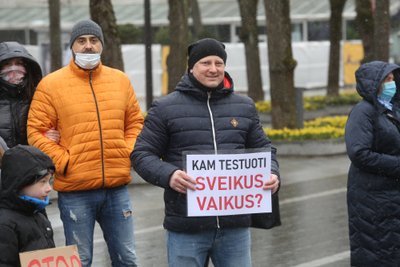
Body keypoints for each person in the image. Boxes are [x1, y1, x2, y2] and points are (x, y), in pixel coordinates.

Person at [131, 38, 280, 267]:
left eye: (219, 63)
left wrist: (272, 173)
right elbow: (142, 154)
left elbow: (265, 149)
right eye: (205, 63)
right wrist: (170, 175)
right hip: (186, 225)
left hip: (235, 225)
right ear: (191, 67)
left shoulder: (244, 106)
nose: (213, 69)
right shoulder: (165, 108)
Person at [27, 19, 144, 267]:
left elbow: (135, 123)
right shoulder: (51, 85)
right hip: (75, 191)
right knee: (80, 262)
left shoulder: (120, 81)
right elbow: (36, 133)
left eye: (93, 40)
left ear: (101, 44)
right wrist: (65, 161)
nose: (88, 46)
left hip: (117, 189)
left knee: (127, 259)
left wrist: (125, 152)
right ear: (72, 46)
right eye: (81, 41)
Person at [345, 61, 400, 266]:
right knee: (376, 254)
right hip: (372, 200)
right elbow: (359, 152)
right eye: (387, 79)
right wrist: (397, 165)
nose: (391, 83)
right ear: (373, 84)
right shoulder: (364, 112)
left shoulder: (391, 109)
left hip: (391, 197)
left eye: (393, 78)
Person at [0, 145, 55, 266]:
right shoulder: (5, 224)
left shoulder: (39, 214)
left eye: (49, 181)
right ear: (21, 182)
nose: (49, 188)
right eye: (43, 182)